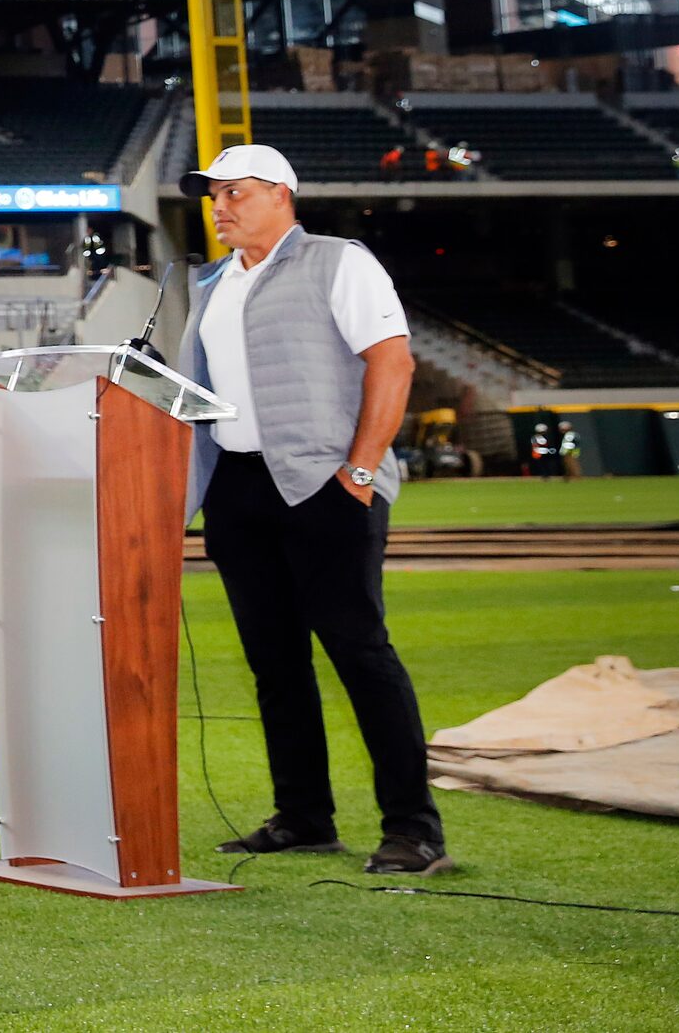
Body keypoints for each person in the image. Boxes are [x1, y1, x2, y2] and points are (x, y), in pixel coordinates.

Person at [179, 143, 447, 878]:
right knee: (274, 664)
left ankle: (415, 831)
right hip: (236, 488)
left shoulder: (339, 260)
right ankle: (303, 816)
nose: (220, 207)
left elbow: (393, 362)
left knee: (360, 653)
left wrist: (360, 471)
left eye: (234, 193)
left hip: (325, 482)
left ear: (281, 195)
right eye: (213, 196)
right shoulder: (211, 284)